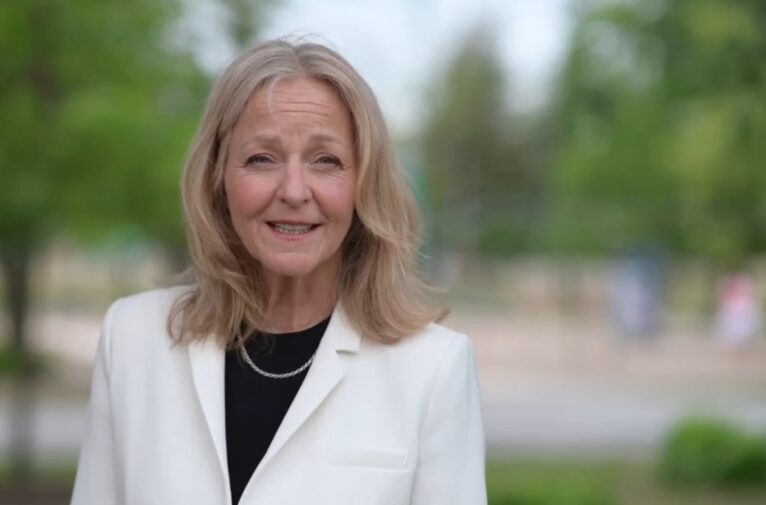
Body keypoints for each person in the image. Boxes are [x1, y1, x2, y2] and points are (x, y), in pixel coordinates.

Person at [70, 39, 486, 505]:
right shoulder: (132, 339)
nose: (293, 191)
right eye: (262, 159)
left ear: (363, 184)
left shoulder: (433, 369)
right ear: (217, 178)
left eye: (326, 161)